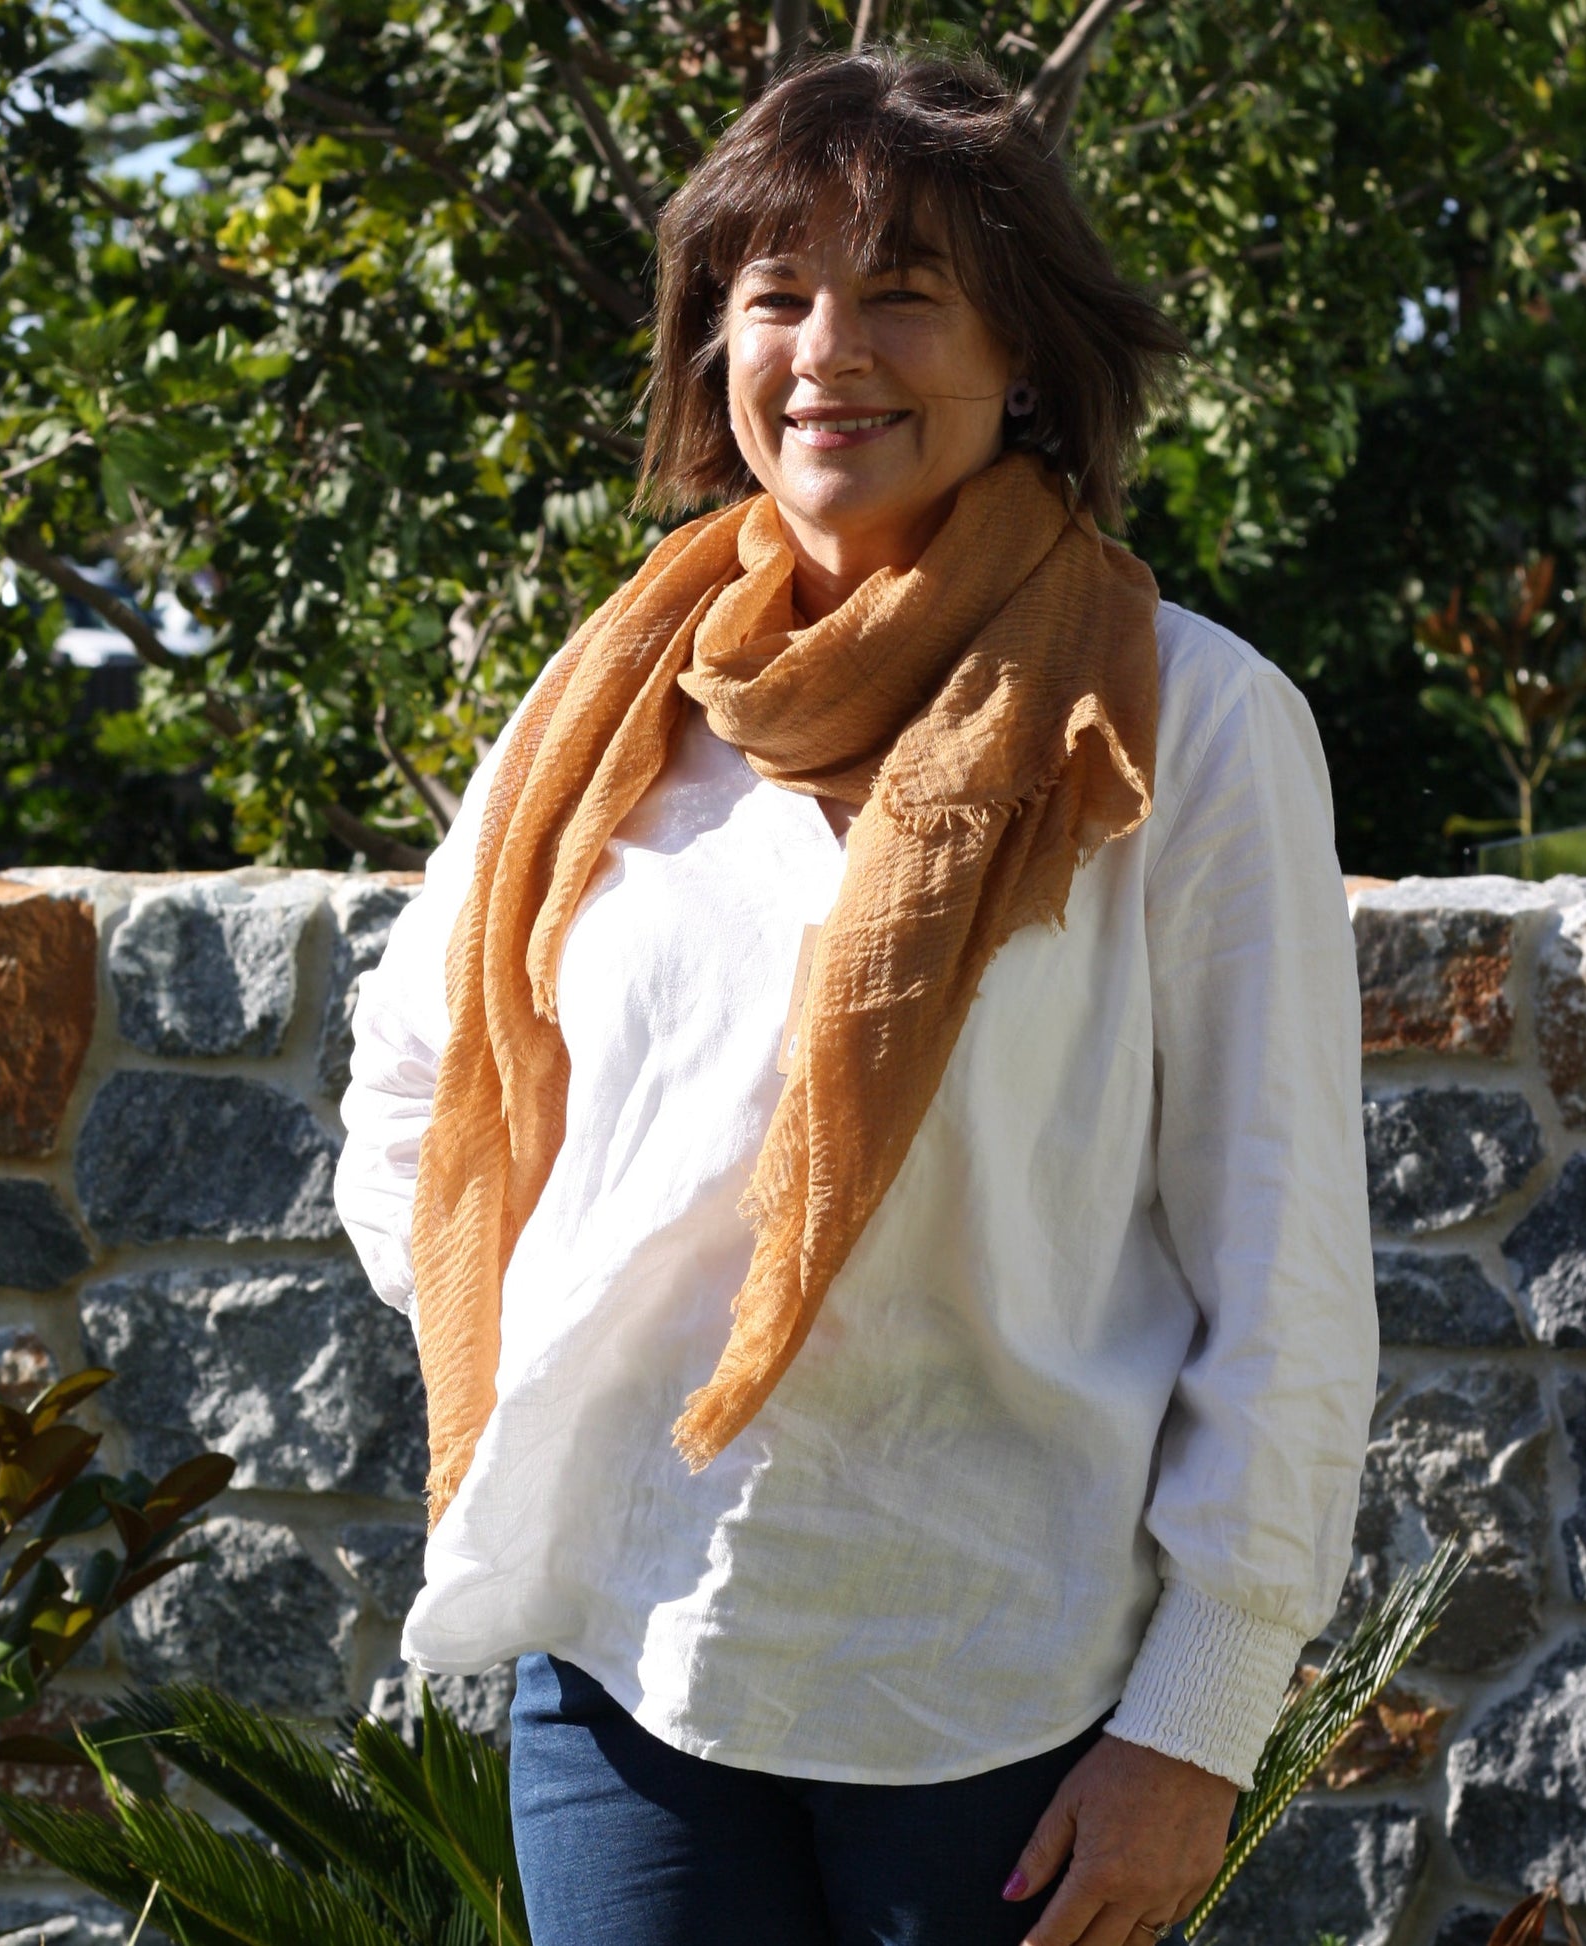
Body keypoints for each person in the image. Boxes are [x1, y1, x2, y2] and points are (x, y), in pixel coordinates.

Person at [334, 46, 1377, 1946]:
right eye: (774, 295)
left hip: (999, 1687)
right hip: (628, 1654)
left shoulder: (1190, 723)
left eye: (903, 291)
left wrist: (1196, 1726)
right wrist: (556, 1321)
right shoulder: (617, 707)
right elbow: (416, 1085)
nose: (831, 350)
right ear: (708, 350)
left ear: (1028, 356)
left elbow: (1283, 1255)